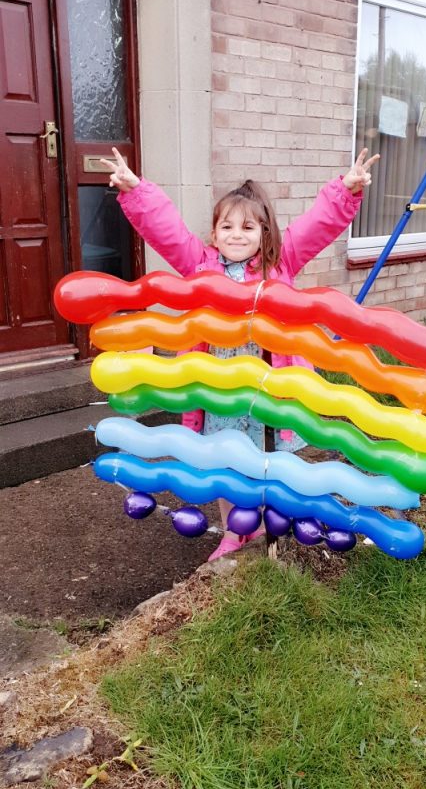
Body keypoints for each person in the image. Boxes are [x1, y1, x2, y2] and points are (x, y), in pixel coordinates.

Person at [102, 146, 379, 560]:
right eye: (227, 226)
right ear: (214, 235)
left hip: (271, 392)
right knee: (224, 466)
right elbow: (165, 229)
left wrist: (346, 190)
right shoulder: (200, 266)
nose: (236, 235)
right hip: (219, 395)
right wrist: (135, 190)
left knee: (269, 465)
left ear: (265, 234)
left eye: (248, 227)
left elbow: (315, 227)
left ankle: (265, 528)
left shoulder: (280, 264)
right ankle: (233, 533)